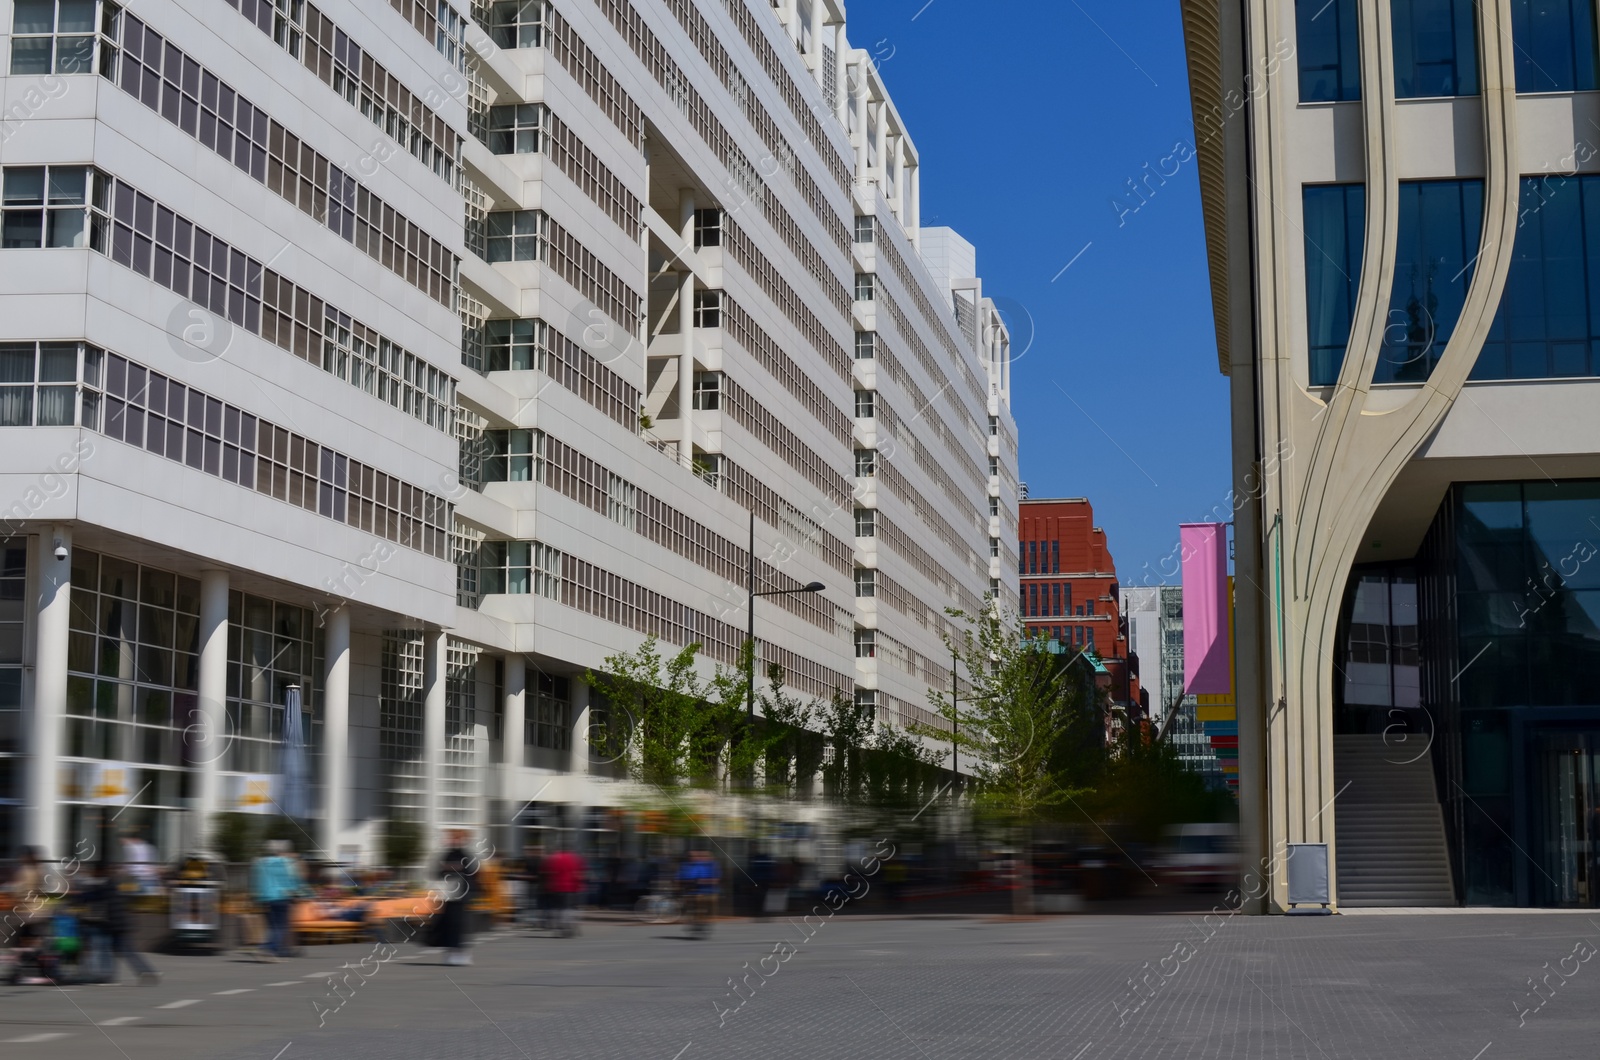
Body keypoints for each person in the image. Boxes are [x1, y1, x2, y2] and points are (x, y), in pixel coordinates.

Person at [85, 861, 159, 985]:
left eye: (94, 871)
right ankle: (145, 972)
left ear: (100, 871)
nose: (92, 874)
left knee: (119, 950)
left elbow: (92, 896)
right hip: (120, 923)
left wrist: (76, 899)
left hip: (117, 924)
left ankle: (146, 972)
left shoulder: (107, 885)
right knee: (118, 950)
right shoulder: (115, 882)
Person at [250, 840, 303, 961]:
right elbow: (293, 880)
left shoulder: (261, 862)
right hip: (282, 897)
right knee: (280, 926)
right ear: (283, 851)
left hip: (266, 897)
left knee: (272, 925)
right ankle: (269, 949)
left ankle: (270, 948)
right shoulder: (288, 863)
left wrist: (256, 895)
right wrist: (297, 894)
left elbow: (256, 880)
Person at [437, 831, 477, 965]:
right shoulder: (447, 854)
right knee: (449, 923)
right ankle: (451, 952)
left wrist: (471, 894)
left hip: (462, 895)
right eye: (452, 838)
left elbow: (471, 872)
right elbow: (438, 872)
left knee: (460, 924)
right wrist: (448, 868)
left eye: (457, 839)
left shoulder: (465, 855)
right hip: (449, 895)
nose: (453, 841)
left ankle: (460, 952)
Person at [542, 844, 585, 937]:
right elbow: (579, 873)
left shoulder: (554, 858)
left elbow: (548, 872)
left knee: (557, 908)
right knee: (568, 908)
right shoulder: (575, 858)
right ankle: (568, 926)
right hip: (570, 887)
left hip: (555, 886)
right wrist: (579, 885)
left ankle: (558, 926)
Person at [678, 850, 719, 938]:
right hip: (691, 892)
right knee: (690, 905)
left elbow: (715, 880)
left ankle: (703, 921)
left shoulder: (711, 865)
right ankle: (693, 921)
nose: (697, 858)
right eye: (691, 856)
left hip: (707, 892)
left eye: (704, 856)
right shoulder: (686, 865)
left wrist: (700, 881)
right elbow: (680, 878)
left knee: (705, 905)